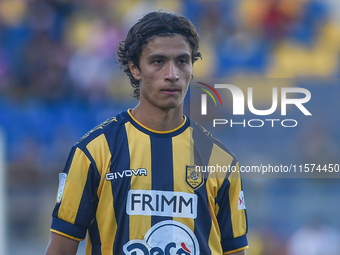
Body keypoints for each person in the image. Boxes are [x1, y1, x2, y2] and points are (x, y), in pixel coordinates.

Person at [45, 11, 248, 255]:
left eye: (182, 61)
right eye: (158, 61)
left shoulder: (221, 161)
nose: (172, 74)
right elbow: (60, 249)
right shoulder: (94, 152)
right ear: (135, 69)